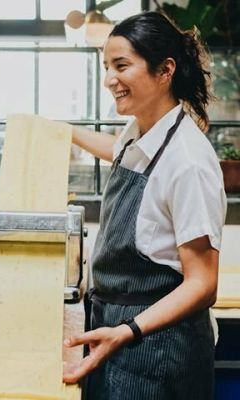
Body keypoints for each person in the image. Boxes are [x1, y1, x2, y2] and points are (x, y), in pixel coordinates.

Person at [63, 11, 227, 400]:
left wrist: (128, 330)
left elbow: (203, 285)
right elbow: (116, 150)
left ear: (165, 70)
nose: (109, 79)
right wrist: (63, 132)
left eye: (121, 65)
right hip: (115, 334)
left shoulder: (188, 161)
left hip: (158, 350)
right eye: (106, 67)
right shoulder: (142, 131)